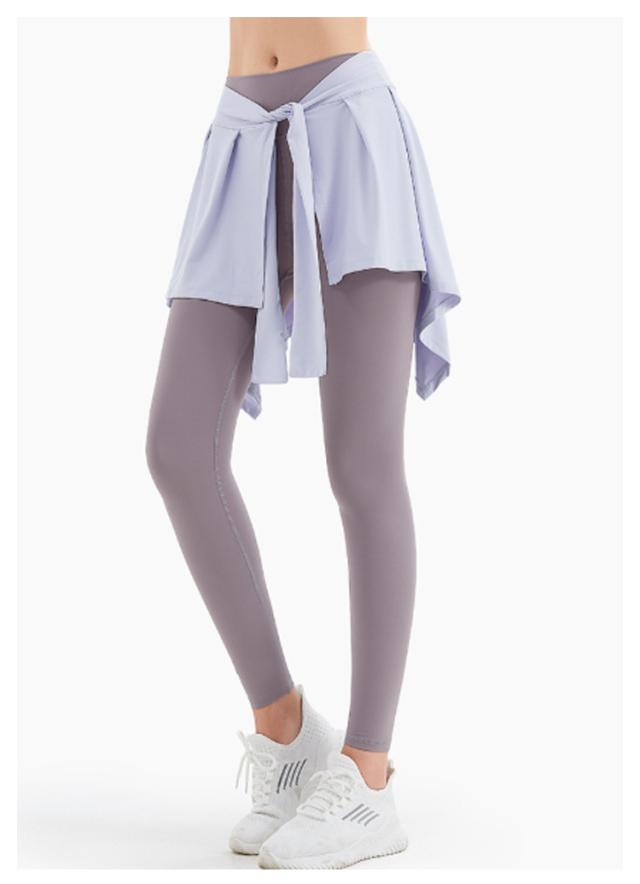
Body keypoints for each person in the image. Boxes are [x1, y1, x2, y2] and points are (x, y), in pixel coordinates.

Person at [145, 16, 460, 870]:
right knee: (178, 448)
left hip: (347, 123)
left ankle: (366, 779)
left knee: (362, 465)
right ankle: (287, 736)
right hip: (240, 133)